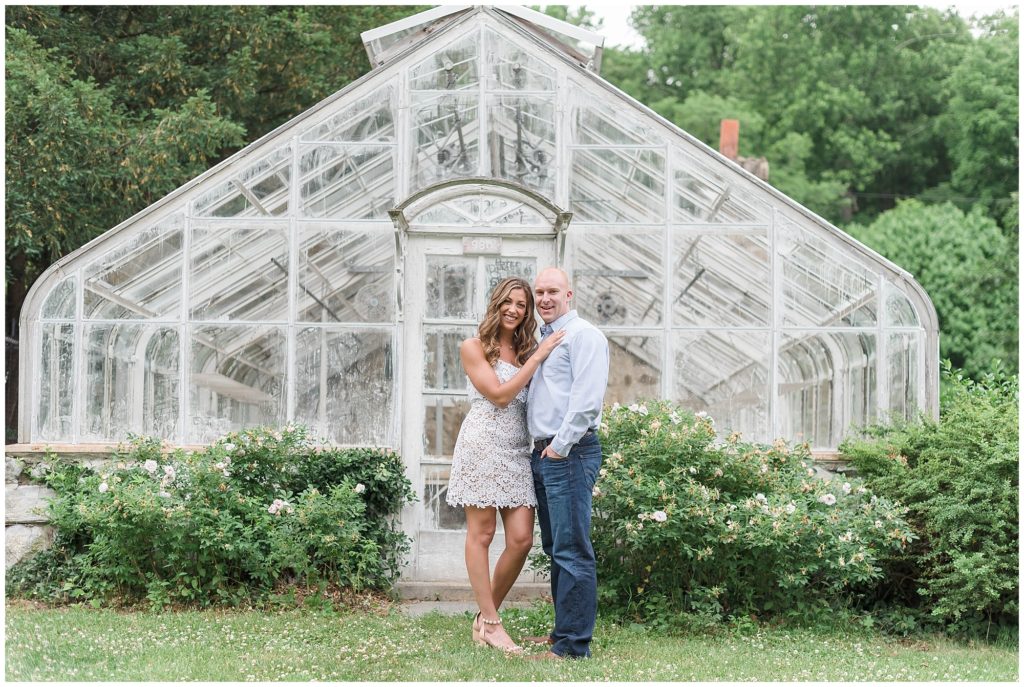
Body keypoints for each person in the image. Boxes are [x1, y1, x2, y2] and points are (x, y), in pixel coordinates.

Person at [446, 276, 566, 654]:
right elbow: (498, 396)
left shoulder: (526, 347)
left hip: (517, 448)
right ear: (496, 305)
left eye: (523, 305)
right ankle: (493, 624)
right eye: (508, 303)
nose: (515, 310)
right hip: (482, 443)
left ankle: (484, 618)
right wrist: (540, 356)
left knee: (520, 540)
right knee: (481, 535)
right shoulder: (473, 347)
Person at [523, 267, 609, 660]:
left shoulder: (583, 335)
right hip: (546, 452)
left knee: (572, 548)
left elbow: (586, 400)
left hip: (568, 452)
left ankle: (573, 646)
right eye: (539, 292)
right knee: (557, 545)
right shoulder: (544, 338)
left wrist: (558, 447)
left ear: (569, 294)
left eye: (552, 291)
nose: (544, 298)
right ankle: (563, 633)